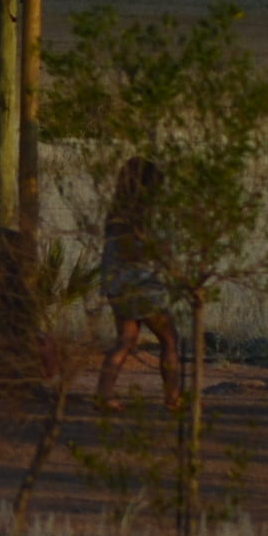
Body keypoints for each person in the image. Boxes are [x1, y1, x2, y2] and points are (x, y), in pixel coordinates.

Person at [96, 157, 182, 410]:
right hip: (143, 286)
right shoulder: (147, 218)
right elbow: (148, 252)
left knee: (125, 339)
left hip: (117, 286)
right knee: (169, 339)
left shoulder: (116, 216)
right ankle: (173, 397)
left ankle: (104, 394)